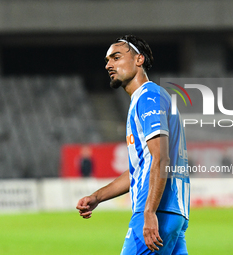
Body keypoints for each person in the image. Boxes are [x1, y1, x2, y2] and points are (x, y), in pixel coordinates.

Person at [76, 35, 190, 255]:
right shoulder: (148, 98)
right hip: (173, 212)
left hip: (158, 211)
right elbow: (141, 170)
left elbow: (161, 158)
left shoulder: (148, 97)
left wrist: (149, 212)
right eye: (107, 60)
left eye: (116, 57)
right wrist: (97, 197)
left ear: (139, 59)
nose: (108, 64)